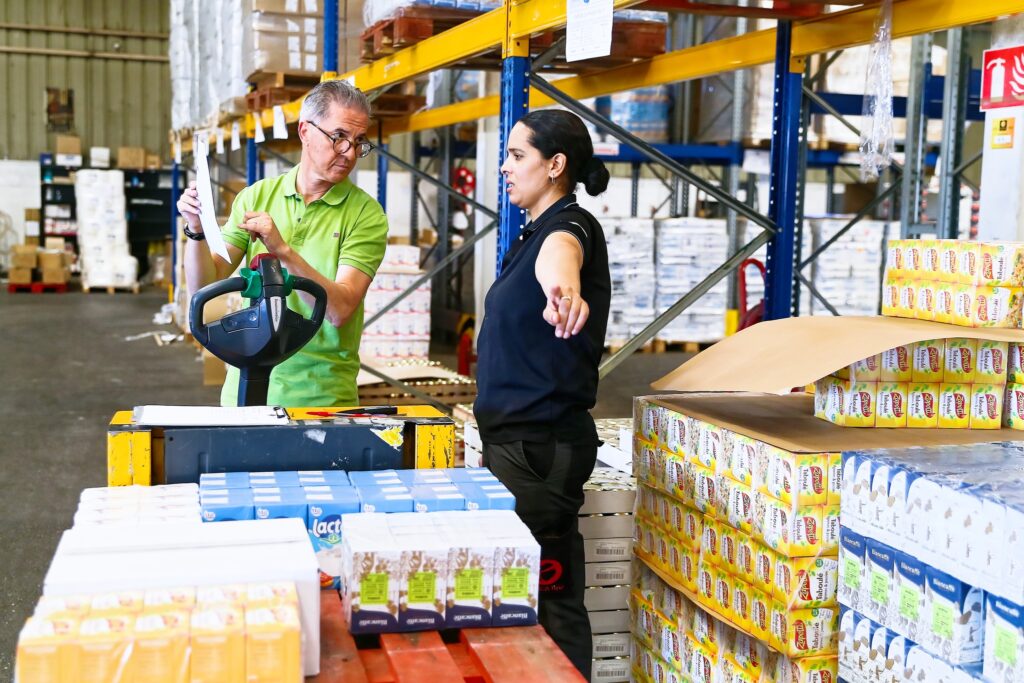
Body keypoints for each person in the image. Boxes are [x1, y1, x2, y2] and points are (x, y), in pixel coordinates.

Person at [473, 110, 611, 678]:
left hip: (540, 448)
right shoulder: (532, 231)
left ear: (555, 165)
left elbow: (562, 258)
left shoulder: (569, 226)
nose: (505, 167)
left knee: (549, 601)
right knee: (523, 594)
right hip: (521, 445)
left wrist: (564, 292)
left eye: (517, 156)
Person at [177, 80, 389, 407]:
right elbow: (204, 285)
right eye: (339, 137)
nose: (349, 153)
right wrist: (196, 231)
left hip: (320, 399)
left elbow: (340, 310)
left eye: (359, 141)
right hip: (247, 388)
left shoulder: (365, 215)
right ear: (305, 131)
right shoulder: (257, 196)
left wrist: (282, 251)